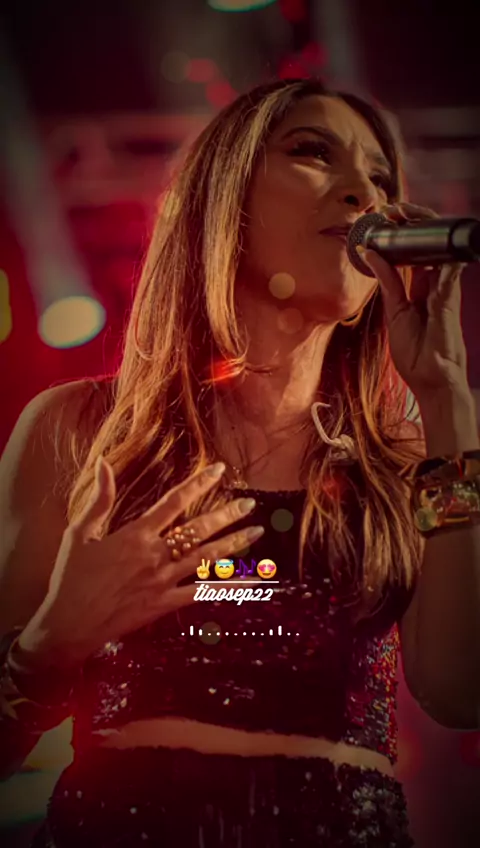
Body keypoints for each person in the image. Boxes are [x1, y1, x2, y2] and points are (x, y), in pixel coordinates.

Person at [1, 77, 479, 848]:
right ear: (225, 199)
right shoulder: (80, 431)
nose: (363, 192)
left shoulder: (411, 458)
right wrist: (49, 645)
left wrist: (447, 394)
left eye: (380, 177)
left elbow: (460, 691)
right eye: (312, 152)